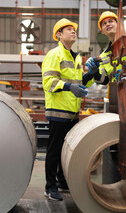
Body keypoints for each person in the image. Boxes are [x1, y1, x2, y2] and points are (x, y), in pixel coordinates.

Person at [42, 18, 95, 201]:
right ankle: (50, 186)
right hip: (58, 110)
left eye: (74, 29)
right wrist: (68, 87)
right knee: (55, 150)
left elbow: (79, 82)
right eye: (68, 29)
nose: (73, 31)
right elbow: (48, 82)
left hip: (72, 111)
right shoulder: (54, 54)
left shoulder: (76, 56)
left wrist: (91, 75)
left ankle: (62, 181)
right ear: (59, 35)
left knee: (67, 150)